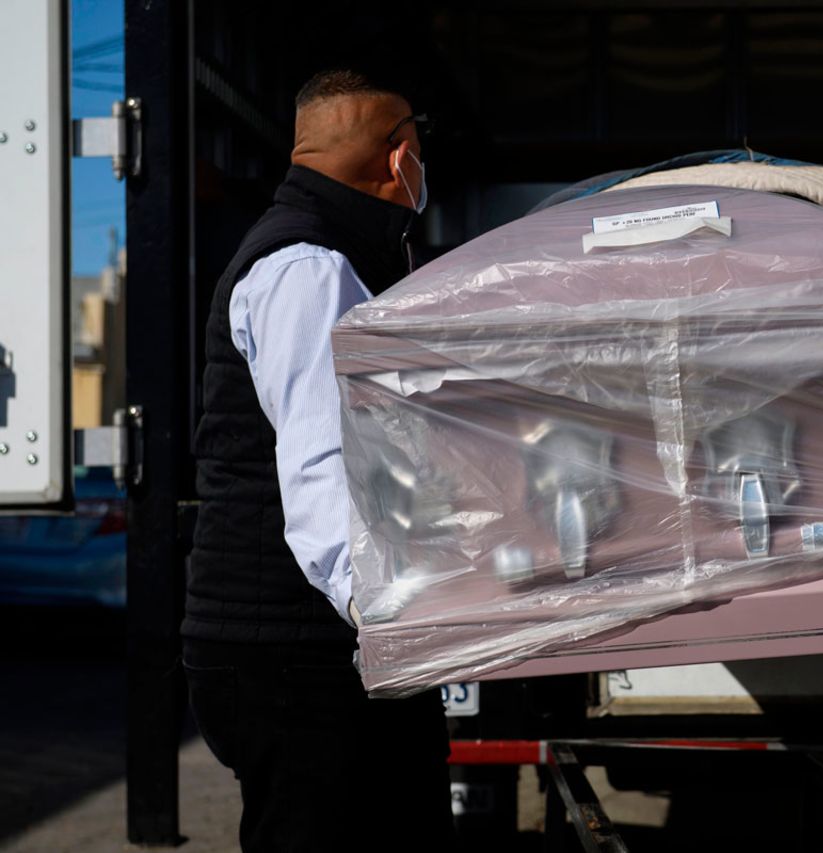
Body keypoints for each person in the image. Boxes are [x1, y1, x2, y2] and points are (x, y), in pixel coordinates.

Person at [183, 69, 453, 852]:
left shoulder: (322, 252)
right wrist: (390, 621)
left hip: (289, 647)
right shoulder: (309, 268)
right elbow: (322, 470)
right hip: (298, 654)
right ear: (401, 158)